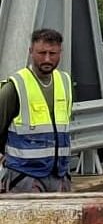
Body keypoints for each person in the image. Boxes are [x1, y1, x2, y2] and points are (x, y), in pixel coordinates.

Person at [0, 28, 73, 193]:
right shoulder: (15, 87)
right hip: (24, 176)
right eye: (41, 53)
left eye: (52, 53)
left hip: (59, 174)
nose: (47, 58)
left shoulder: (65, 82)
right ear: (31, 52)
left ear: (60, 53)